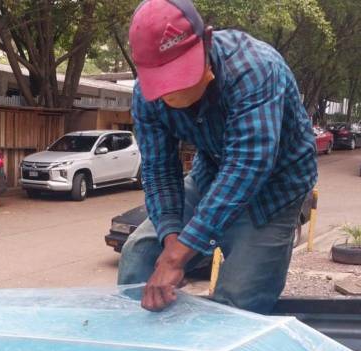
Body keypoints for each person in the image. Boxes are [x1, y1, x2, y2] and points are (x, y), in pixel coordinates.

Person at [118, 0, 318, 314]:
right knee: (139, 256)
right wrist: (172, 241)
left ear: (206, 41)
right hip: (212, 171)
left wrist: (176, 258)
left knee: (238, 299)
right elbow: (159, 170)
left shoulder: (256, 69)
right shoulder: (145, 95)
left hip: (277, 185)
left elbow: (247, 166)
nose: (173, 93)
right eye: (164, 83)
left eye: (182, 75)